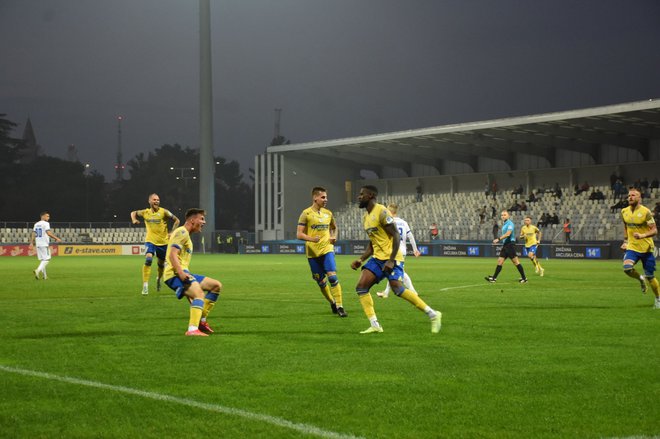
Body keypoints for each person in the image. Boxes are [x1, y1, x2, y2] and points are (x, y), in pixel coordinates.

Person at [350, 185, 441, 334]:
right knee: (361, 287)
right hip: (377, 258)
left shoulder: (381, 211)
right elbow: (373, 243)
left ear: (371, 195)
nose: (359, 197)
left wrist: (391, 260)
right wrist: (361, 259)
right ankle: (375, 325)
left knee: (398, 289)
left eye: (362, 194)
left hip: (392, 257)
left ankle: (433, 314)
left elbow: (396, 236)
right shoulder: (365, 218)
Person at [163, 208, 222, 336]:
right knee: (199, 294)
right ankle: (192, 329)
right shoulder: (182, 232)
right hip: (174, 274)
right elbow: (173, 255)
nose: (204, 222)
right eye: (201, 219)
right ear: (192, 220)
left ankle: (201, 319)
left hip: (183, 272)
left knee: (216, 285)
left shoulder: (186, 235)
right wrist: (181, 273)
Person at [296, 186, 346, 317]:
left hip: (327, 249)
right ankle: (332, 302)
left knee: (332, 276)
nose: (326, 199)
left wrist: (334, 236)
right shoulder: (305, 213)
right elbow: (299, 235)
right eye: (323, 197)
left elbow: (334, 228)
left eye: (326, 197)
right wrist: (311, 239)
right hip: (312, 253)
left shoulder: (328, 213)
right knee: (321, 282)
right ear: (315, 198)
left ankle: (340, 306)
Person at [130, 193, 180, 295]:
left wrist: (172, 232)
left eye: (157, 200)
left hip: (163, 243)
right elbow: (133, 212)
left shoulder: (164, 212)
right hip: (150, 241)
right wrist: (134, 219)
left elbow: (177, 220)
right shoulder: (145, 212)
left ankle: (158, 279)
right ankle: (145, 286)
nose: (156, 201)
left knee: (161, 265)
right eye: (154, 200)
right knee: (148, 259)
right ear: (149, 201)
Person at [620, 187, 660, 309]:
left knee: (650, 276)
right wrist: (626, 241)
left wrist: (642, 235)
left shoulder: (646, 212)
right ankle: (640, 279)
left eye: (633, 195)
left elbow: (654, 230)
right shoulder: (624, 211)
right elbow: (626, 226)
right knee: (627, 268)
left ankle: (658, 298)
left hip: (646, 248)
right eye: (629, 195)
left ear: (639, 197)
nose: (630, 197)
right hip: (632, 247)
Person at [377, 203, 421, 298]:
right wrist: (415, 249)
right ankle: (386, 292)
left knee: (400, 272)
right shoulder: (403, 222)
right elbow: (411, 236)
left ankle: (413, 291)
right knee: (391, 271)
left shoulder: (389, 222)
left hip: (394, 250)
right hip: (403, 250)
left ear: (389, 211)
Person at [485, 210, 528, 284]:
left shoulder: (510, 224)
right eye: (502, 215)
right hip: (505, 245)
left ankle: (524, 278)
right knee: (500, 261)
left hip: (510, 244)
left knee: (516, 262)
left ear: (508, 216)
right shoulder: (505, 223)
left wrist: (498, 239)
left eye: (504, 215)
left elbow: (508, 234)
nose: (503, 216)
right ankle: (494, 278)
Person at [28, 211, 62, 280]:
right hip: (44, 243)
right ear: (42, 216)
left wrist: (31, 243)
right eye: (47, 216)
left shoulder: (36, 224)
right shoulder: (46, 223)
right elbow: (48, 233)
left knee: (43, 260)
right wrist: (57, 238)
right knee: (47, 259)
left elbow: (33, 233)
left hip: (38, 244)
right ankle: (38, 270)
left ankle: (45, 276)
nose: (48, 217)